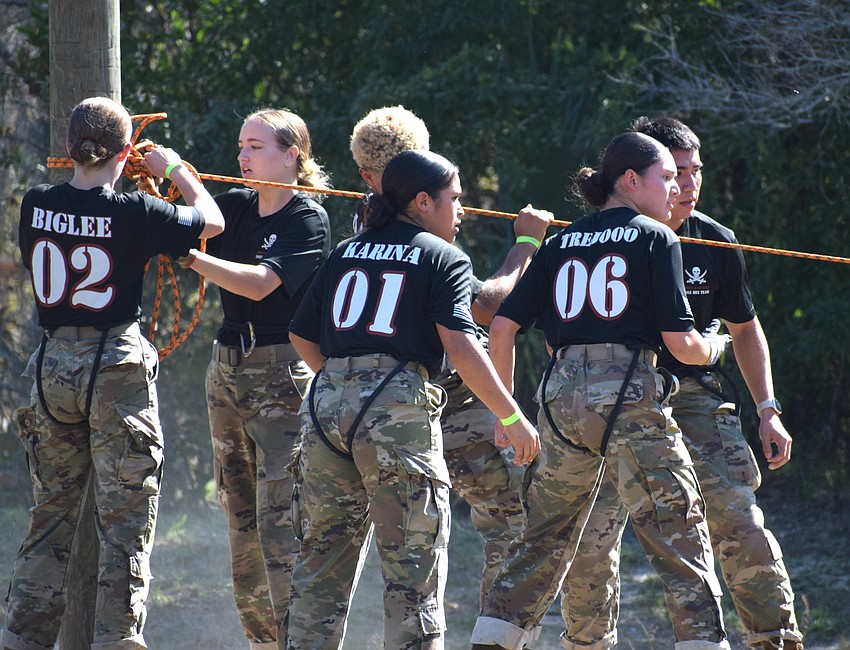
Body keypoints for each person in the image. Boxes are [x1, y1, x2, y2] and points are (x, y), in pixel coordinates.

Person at [470, 132, 733, 650]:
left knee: (543, 536)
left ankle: (494, 637)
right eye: (666, 178)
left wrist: (507, 415)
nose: (677, 189)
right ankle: (704, 641)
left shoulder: (561, 241)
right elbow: (680, 344)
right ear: (631, 181)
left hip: (559, 397)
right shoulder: (659, 239)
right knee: (675, 529)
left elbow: (501, 328)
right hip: (630, 394)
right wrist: (715, 346)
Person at [559, 116, 803, 650]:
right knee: (590, 541)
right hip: (615, 399)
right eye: (676, 174)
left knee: (739, 522)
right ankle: (586, 643)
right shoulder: (604, 238)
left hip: (695, 401)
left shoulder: (716, 240)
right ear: (641, 179)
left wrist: (767, 408)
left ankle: (774, 640)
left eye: (696, 172)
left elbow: (745, 328)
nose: (688, 186)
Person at [287, 149, 541, 650]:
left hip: (325, 410)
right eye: (455, 198)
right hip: (396, 412)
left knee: (319, 567)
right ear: (423, 202)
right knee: (413, 573)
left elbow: (301, 335)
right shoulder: (442, 256)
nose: (462, 209)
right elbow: (462, 342)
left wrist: (346, 386)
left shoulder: (346, 251)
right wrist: (510, 414)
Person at [2, 96, 224, 650]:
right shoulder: (135, 212)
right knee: (124, 520)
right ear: (127, 150)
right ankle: (116, 638)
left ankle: (23, 639)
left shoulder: (35, 202)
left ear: (70, 148)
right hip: (114, 367)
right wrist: (173, 171)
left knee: (50, 514)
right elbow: (212, 222)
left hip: (52, 366)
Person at [349, 105, 552, 606]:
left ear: (364, 173)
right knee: (515, 514)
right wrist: (526, 244)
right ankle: (499, 632)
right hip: (450, 394)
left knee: (378, 536)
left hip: (370, 400)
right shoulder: (421, 230)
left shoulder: (364, 222)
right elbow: (487, 308)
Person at [178, 109, 330, 649]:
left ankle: (295, 639)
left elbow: (262, 285)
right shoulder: (234, 208)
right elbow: (192, 216)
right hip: (227, 370)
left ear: (293, 155)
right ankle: (263, 642)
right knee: (239, 519)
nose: (243, 156)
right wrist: (170, 171)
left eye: (257, 146)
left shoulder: (306, 220)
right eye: (241, 145)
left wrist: (190, 259)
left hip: (281, 375)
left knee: (279, 519)